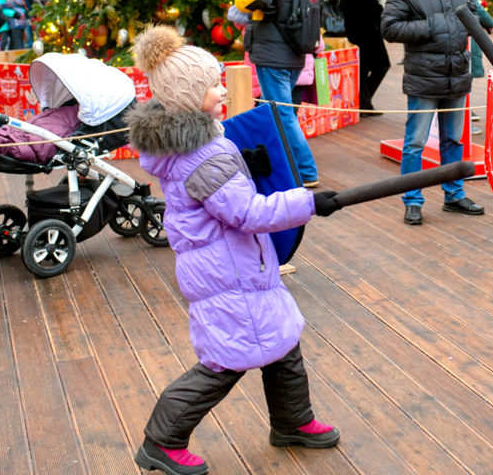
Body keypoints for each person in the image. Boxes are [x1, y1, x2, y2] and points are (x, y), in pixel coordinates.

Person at [127, 26, 342, 475]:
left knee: (283, 341)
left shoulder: (198, 143)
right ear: (187, 98)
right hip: (228, 271)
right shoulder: (202, 157)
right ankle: (161, 441)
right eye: (211, 86)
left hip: (240, 264)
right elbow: (245, 212)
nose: (222, 89)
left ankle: (292, 421)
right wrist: (307, 202)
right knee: (225, 360)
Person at [381, 0, 485, 225]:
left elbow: (474, 16)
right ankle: (412, 200)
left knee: (454, 140)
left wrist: (465, 25)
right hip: (424, 77)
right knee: (415, 142)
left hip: (456, 74)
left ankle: (454, 194)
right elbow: (389, 27)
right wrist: (431, 27)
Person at [234, 0, 320, 187]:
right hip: (293, 54)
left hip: (273, 55)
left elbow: (243, 1)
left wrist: (254, 3)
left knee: (282, 114)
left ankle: (306, 170)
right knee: (283, 112)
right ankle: (292, 165)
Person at [338, 0, 390, 115]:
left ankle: (363, 103)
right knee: (381, 65)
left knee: (363, 70)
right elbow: (375, 9)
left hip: (355, 36)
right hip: (369, 36)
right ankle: (363, 103)